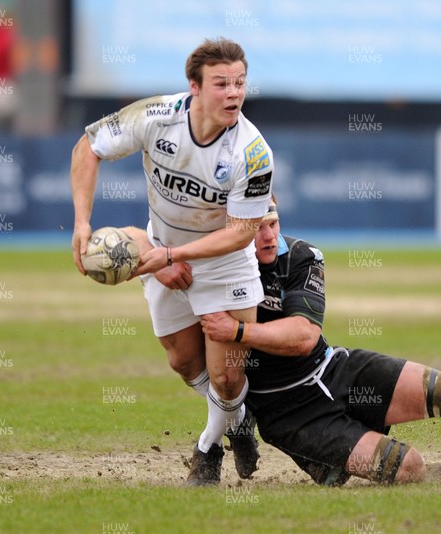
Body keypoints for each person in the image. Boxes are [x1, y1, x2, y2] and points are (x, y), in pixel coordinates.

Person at [201, 198, 441, 486]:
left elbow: (304, 337)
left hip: (335, 370)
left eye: (273, 223)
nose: (267, 235)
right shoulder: (219, 268)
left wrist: (237, 331)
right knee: (408, 467)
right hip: (289, 413)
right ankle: (406, 474)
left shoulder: (301, 255)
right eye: (257, 226)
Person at [71, 38, 273, 486]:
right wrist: (82, 222)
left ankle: (207, 451)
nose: (234, 93)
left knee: (226, 375)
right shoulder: (156, 117)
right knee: (185, 362)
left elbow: (240, 232)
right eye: (221, 84)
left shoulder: (253, 152)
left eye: (240, 83)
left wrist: (170, 256)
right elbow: (88, 147)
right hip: (163, 246)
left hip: (225, 262)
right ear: (194, 87)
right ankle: (240, 421)